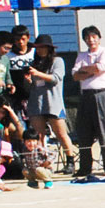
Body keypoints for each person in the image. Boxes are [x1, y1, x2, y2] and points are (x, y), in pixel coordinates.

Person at [72, 26, 105, 179]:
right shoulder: (82, 55)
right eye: (87, 38)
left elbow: (102, 67)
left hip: (102, 94)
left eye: (93, 37)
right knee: (84, 132)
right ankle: (85, 168)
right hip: (86, 95)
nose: (91, 40)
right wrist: (91, 70)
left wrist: (85, 71)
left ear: (99, 38)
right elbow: (75, 75)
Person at [23, 34, 72, 172]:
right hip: (36, 103)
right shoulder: (34, 63)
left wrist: (38, 74)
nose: (39, 50)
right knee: (39, 136)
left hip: (53, 103)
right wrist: (28, 80)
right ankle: (42, 163)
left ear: (49, 48)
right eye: (37, 48)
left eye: (42, 47)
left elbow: (56, 78)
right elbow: (31, 87)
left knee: (61, 133)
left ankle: (70, 162)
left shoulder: (58, 61)